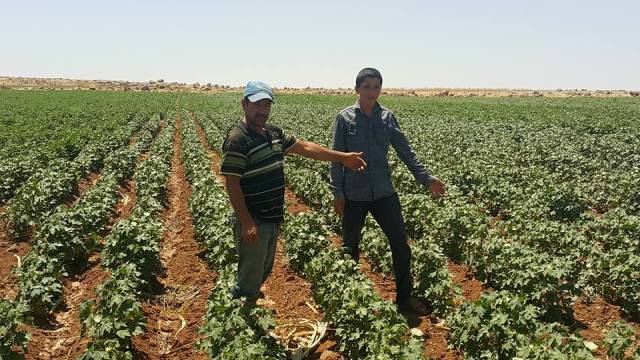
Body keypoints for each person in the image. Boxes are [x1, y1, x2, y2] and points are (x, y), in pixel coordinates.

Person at [220, 81, 367, 306]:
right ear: (244, 104)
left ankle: (247, 305)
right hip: (254, 218)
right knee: (249, 277)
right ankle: (236, 317)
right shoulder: (238, 139)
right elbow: (232, 183)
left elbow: (306, 148)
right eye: (257, 104)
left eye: (267, 105)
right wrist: (246, 221)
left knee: (261, 271)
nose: (262, 110)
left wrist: (342, 157)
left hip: (271, 217)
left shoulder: (274, 133)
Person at [330, 68, 446, 313]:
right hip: (354, 194)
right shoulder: (345, 118)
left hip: (384, 192)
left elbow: (406, 152)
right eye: (367, 87)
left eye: (376, 87)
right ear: (357, 89)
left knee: (400, 244)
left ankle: (404, 299)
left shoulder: (388, 118)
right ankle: (349, 301)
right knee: (350, 246)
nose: (372, 92)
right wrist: (337, 192)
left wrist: (426, 179)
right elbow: (336, 158)